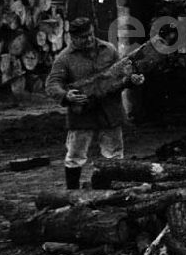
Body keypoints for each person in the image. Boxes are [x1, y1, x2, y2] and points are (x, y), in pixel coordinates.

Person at [46, 17, 144, 189]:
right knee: (75, 154)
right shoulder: (64, 58)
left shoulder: (109, 50)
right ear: (73, 38)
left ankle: (107, 190)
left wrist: (131, 79)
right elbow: (52, 84)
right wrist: (66, 95)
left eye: (90, 34)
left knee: (113, 154)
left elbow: (122, 75)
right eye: (84, 37)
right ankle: (73, 192)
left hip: (109, 110)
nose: (89, 39)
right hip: (82, 113)